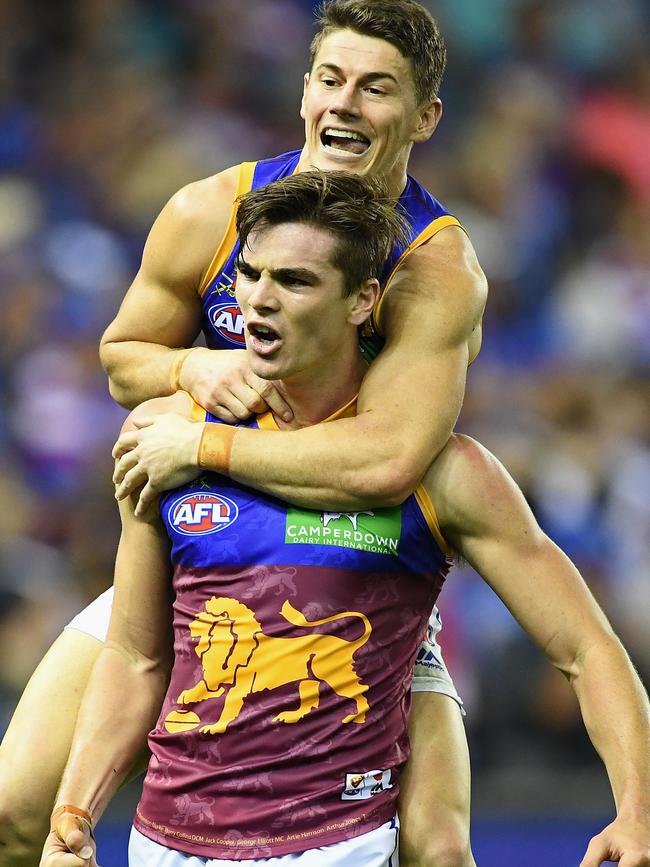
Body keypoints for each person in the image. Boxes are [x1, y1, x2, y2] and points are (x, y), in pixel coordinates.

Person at [43, 171, 650, 867]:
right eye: (249, 274)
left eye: (296, 281)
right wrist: (73, 815)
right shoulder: (164, 439)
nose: (260, 300)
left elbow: (588, 648)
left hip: (341, 846)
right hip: (167, 844)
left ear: (363, 300)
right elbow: (136, 656)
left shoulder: (440, 473)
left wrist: (637, 810)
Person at [1, 2, 483, 865]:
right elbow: (121, 357)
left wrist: (201, 444)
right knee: (13, 808)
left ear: (424, 117)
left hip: (359, 569)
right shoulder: (212, 210)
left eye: (376, 90)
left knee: (436, 850)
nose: (345, 105)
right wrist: (190, 371)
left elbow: (388, 460)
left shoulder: (434, 270)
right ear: (303, 90)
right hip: (209, 555)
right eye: (330, 80)